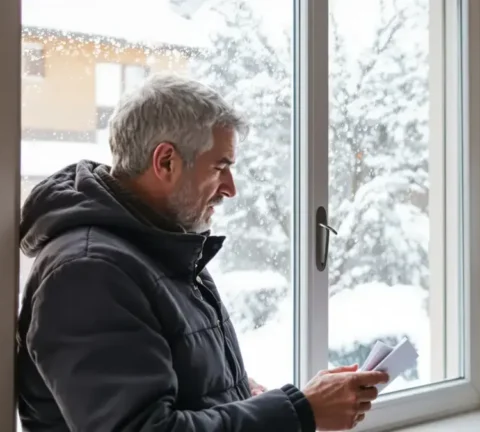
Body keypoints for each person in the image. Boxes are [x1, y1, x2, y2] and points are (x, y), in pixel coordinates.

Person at [16, 74, 388, 431]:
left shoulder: (162, 246)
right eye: (221, 166)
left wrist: (252, 399)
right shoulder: (87, 275)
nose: (231, 188)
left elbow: (185, 396)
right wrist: (300, 410)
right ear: (165, 162)